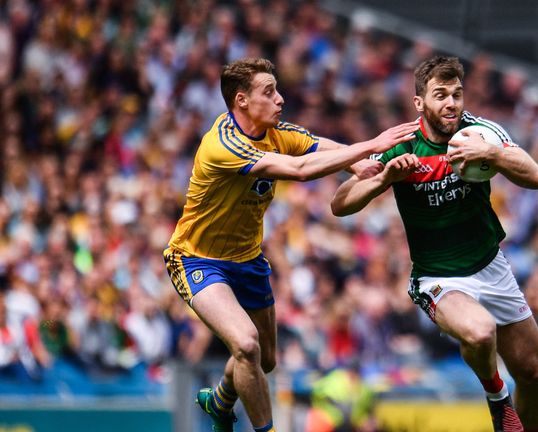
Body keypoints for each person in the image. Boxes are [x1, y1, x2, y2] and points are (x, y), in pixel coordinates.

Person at [162, 58, 418, 432]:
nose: (280, 99)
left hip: (248, 260)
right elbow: (299, 170)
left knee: (264, 359)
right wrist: (371, 145)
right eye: (269, 92)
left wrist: (358, 165)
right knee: (246, 345)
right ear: (242, 101)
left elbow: (317, 145)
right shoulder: (222, 144)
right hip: (197, 259)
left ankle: (219, 401)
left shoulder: (276, 131)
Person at [331, 55, 538, 432]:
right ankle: (498, 400)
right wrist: (384, 180)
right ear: (420, 102)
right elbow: (340, 203)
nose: (451, 103)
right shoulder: (400, 144)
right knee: (480, 332)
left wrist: (492, 154)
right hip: (439, 279)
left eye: (457, 95)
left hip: (491, 266)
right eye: (441, 95)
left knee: (531, 370)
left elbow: (536, 176)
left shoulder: (479, 133)